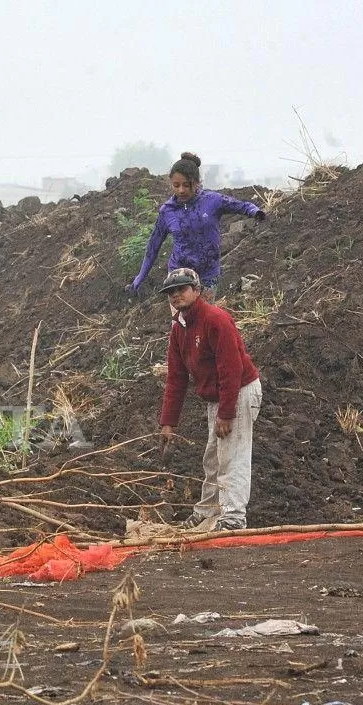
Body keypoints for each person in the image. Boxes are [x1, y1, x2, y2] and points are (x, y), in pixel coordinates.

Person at [157, 268, 262, 531]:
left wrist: (226, 413)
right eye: (171, 292)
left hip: (239, 390)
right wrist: (168, 423)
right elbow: (176, 378)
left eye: (181, 289)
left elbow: (232, 369)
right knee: (213, 457)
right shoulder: (179, 329)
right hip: (216, 397)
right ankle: (208, 511)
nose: (176, 295)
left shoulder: (216, 320)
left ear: (197, 290)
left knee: (232, 456)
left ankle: (233, 517)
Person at [130, 152, 265, 295]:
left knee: (204, 317)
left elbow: (241, 206)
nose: (181, 190)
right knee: (181, 318)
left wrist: (256, 212)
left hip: (208, 275)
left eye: (186, 185)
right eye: (176, 185)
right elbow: (153, 246)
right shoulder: (167, 211)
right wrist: (140, 277)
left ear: (197, 182)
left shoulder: (212, 200)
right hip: (179, 276)